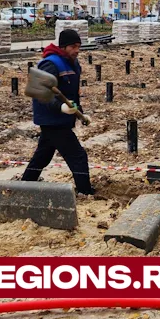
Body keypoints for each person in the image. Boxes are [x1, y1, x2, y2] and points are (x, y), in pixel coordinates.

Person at [22, 29, 94, 195]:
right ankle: (85, 192)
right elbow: (40, 93)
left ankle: (24, 186)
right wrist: (60, 107)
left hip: (61, 119)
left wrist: (80, 113)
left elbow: (71, 94)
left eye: (79, 46)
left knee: (43, 156)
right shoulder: (50, 64)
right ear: (63, 47)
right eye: (73, 46)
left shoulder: (72, 63)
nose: (77, 50)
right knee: (78, 156)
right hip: (52, 120)